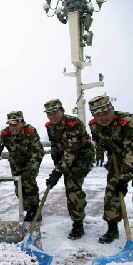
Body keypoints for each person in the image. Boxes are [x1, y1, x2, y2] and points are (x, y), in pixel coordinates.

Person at [88, 96, 133, 243]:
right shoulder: (94, 126)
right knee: (112, 190)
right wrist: (109, 157)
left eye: (106, 112)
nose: (103, 118)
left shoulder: (129, 122)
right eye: (98, 115)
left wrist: (124, 178)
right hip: (119, 158)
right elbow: (101, 143)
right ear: (93, 116)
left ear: (112, 109)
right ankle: (112, 228)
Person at [44, 99, 95, 239]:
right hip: (66, 157)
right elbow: (55, 145)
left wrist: (58, 171)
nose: (52, 117)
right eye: (49, 114)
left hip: (82, 157)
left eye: (55, 113)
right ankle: (77, 214)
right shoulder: (50, 126)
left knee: (72, 185)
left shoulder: (74, 124)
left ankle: (78, 223)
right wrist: (55, 157)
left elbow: (73, 150)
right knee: (69, 184)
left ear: (62, 111)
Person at [0, 111, 44, 221]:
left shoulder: (30, 132)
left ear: (22, 123)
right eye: (10, 125)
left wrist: (31, 169)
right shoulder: (5, 134)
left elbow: (38, 151)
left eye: (15, 124)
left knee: (29, 186)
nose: (12, 128)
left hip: (30, 162)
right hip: (15, 164)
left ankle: (34, 210)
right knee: (19, 189)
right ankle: (28, 209)